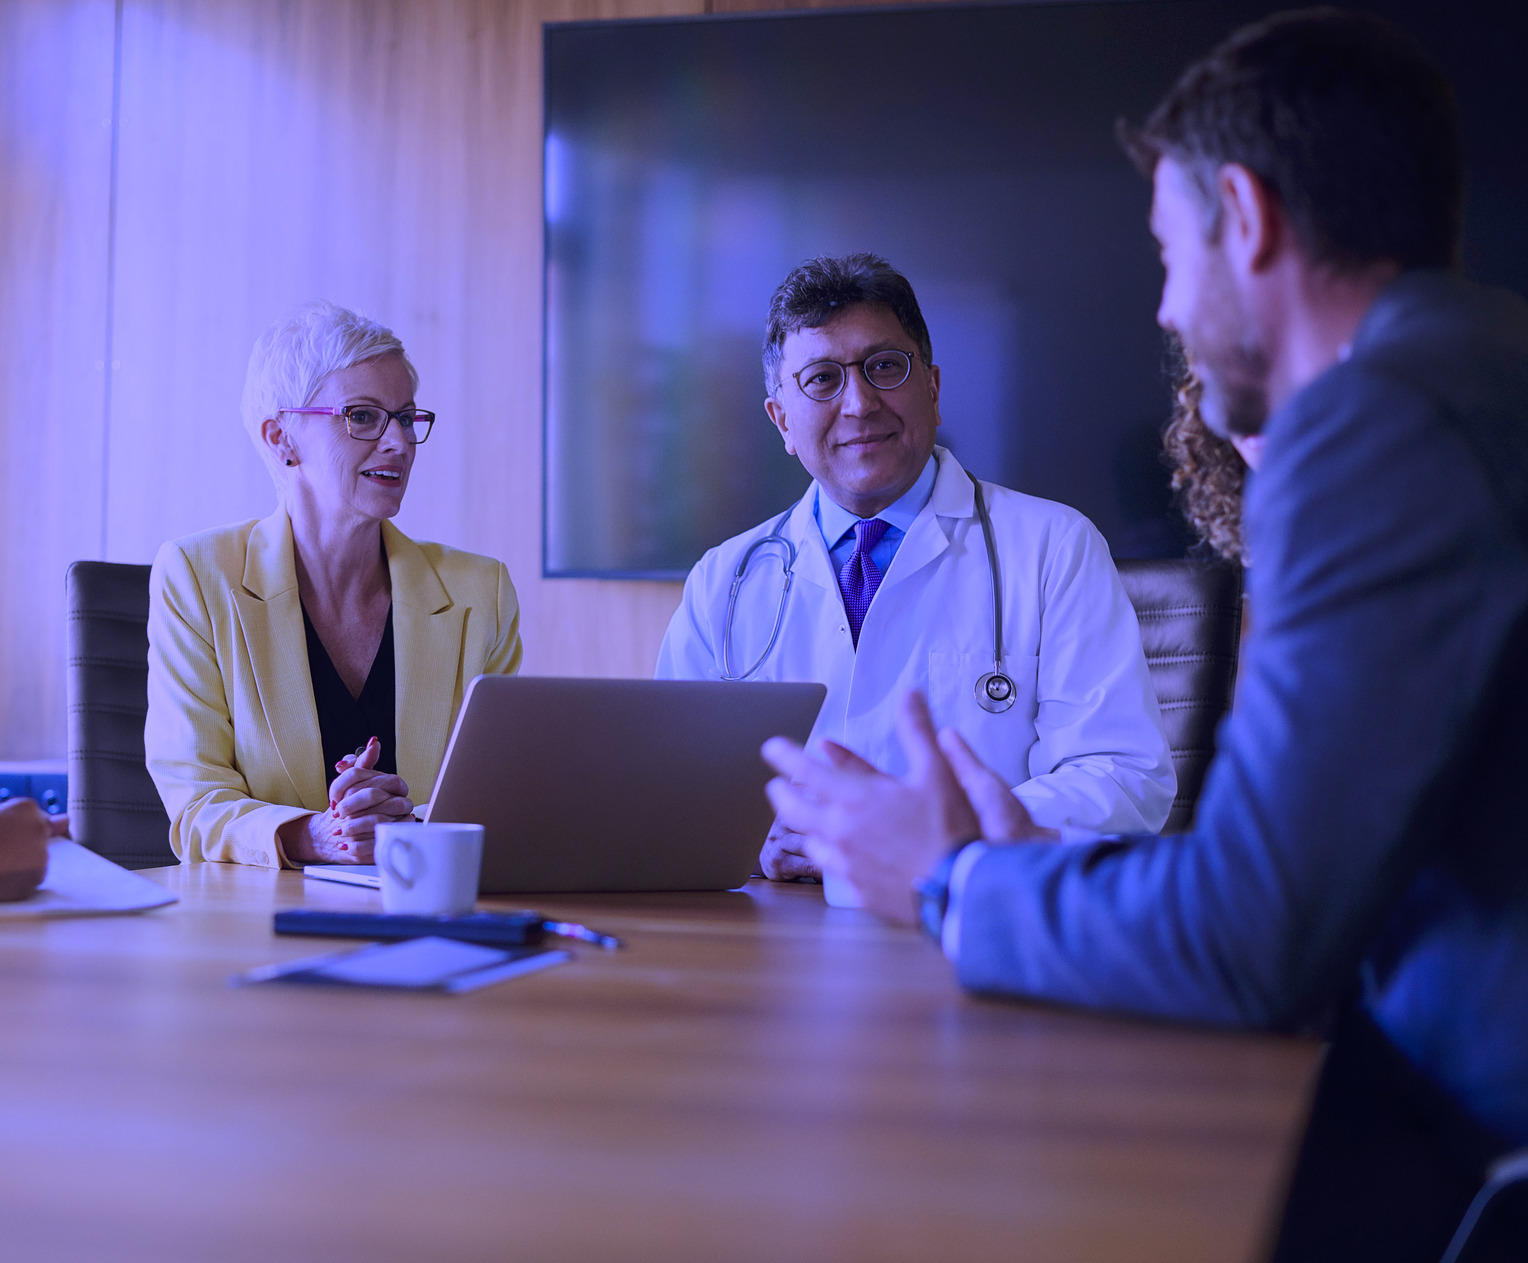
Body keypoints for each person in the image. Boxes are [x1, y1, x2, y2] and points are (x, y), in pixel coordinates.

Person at [761, 12, 1528, 1261]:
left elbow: (1250, 935)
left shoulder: (1375, 424)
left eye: (1171, 253)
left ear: (1249, 215)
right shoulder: (1482, 368)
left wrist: (955, 882)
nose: (1169, 306)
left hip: (1480, 1151)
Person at [657, 254, 1174, 882]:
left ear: (930, 385)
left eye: (883, 367)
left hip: (976, 914)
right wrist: (750, 835)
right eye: (821, 378)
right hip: (777, 934)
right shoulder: (725, 579)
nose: (858, 403)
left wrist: (946, 833)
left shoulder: (1054, 546)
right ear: (782, 420)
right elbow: (677, 791)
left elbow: (1123, 777)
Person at [146, 301, 523, 868]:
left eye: (406, 417)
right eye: (363, 416)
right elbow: (195, 804)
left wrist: (406, 826)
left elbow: (506, 796)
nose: (398, 443)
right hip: (259, 925)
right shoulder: (198, 577)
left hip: (431, 914)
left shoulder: (480, 593)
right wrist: (316, 837)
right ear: (281, 439)